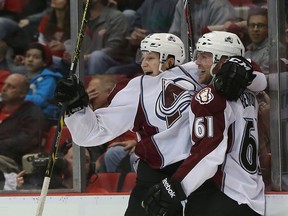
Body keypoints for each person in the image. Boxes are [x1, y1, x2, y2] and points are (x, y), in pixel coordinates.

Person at [55, 32, 267, 215]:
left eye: (152, 57)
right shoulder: (135, 89)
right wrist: (76, 109)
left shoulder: (197, 72)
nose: (144, 63)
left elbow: (243, 69)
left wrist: (241, 67)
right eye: (143, 56)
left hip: (200, 176)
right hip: (157, 176)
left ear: (170, 59)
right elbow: (90, 134)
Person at [142, 56, 265, 216]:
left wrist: (174, 187)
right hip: (252, 198)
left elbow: (208, 154)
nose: (197, 62)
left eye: (205, 56)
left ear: (222, 61)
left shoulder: (209, 96)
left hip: (220, 196)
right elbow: (261, 80)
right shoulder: (249, 92)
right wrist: (241, 64)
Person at [0, 73, 47, 169]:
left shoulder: (32, 113)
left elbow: (26, 140)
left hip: (13, 161)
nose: (4, 89)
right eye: (5, 84)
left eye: (11, 87)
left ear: (22, 93)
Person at [24, 42, 63, 125]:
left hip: (46, 119)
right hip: (26, 115)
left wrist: (18, 97)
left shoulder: (49, 79)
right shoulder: (22, 78)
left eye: (36, 57)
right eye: (28, 56)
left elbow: (40, 101)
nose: (30, 59)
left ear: (45, 62)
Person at [244, 7, 269, 75]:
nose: (255, 29)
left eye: (260, 25)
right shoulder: (247, 54)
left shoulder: (273, 51)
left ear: (268, 28)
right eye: (252, 25)